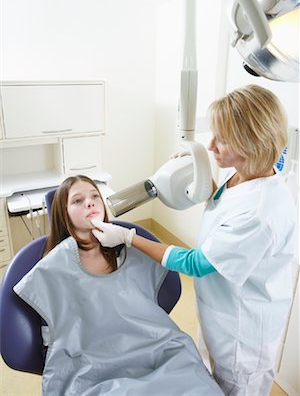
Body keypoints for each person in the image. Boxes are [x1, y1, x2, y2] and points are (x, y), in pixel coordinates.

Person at [92, 84, 297, 396]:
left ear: (250, 143)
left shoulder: (260, 213)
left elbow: (197, 263)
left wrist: (128, 237)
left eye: (222, 139)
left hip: (243, 334)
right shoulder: (247, 172)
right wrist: (200, 173)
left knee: (233, 389)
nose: (211, 145)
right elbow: (224, 205)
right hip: (219, 312)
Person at [13, 175, 223, 396]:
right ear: (63, 214)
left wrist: (129, 239)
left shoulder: (133, 251)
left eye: (95, 196)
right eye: (77, 201)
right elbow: (62, 326)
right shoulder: (53, 267)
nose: (90, 202)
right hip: (93, 370)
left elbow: (190, 261)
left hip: (159, 353)